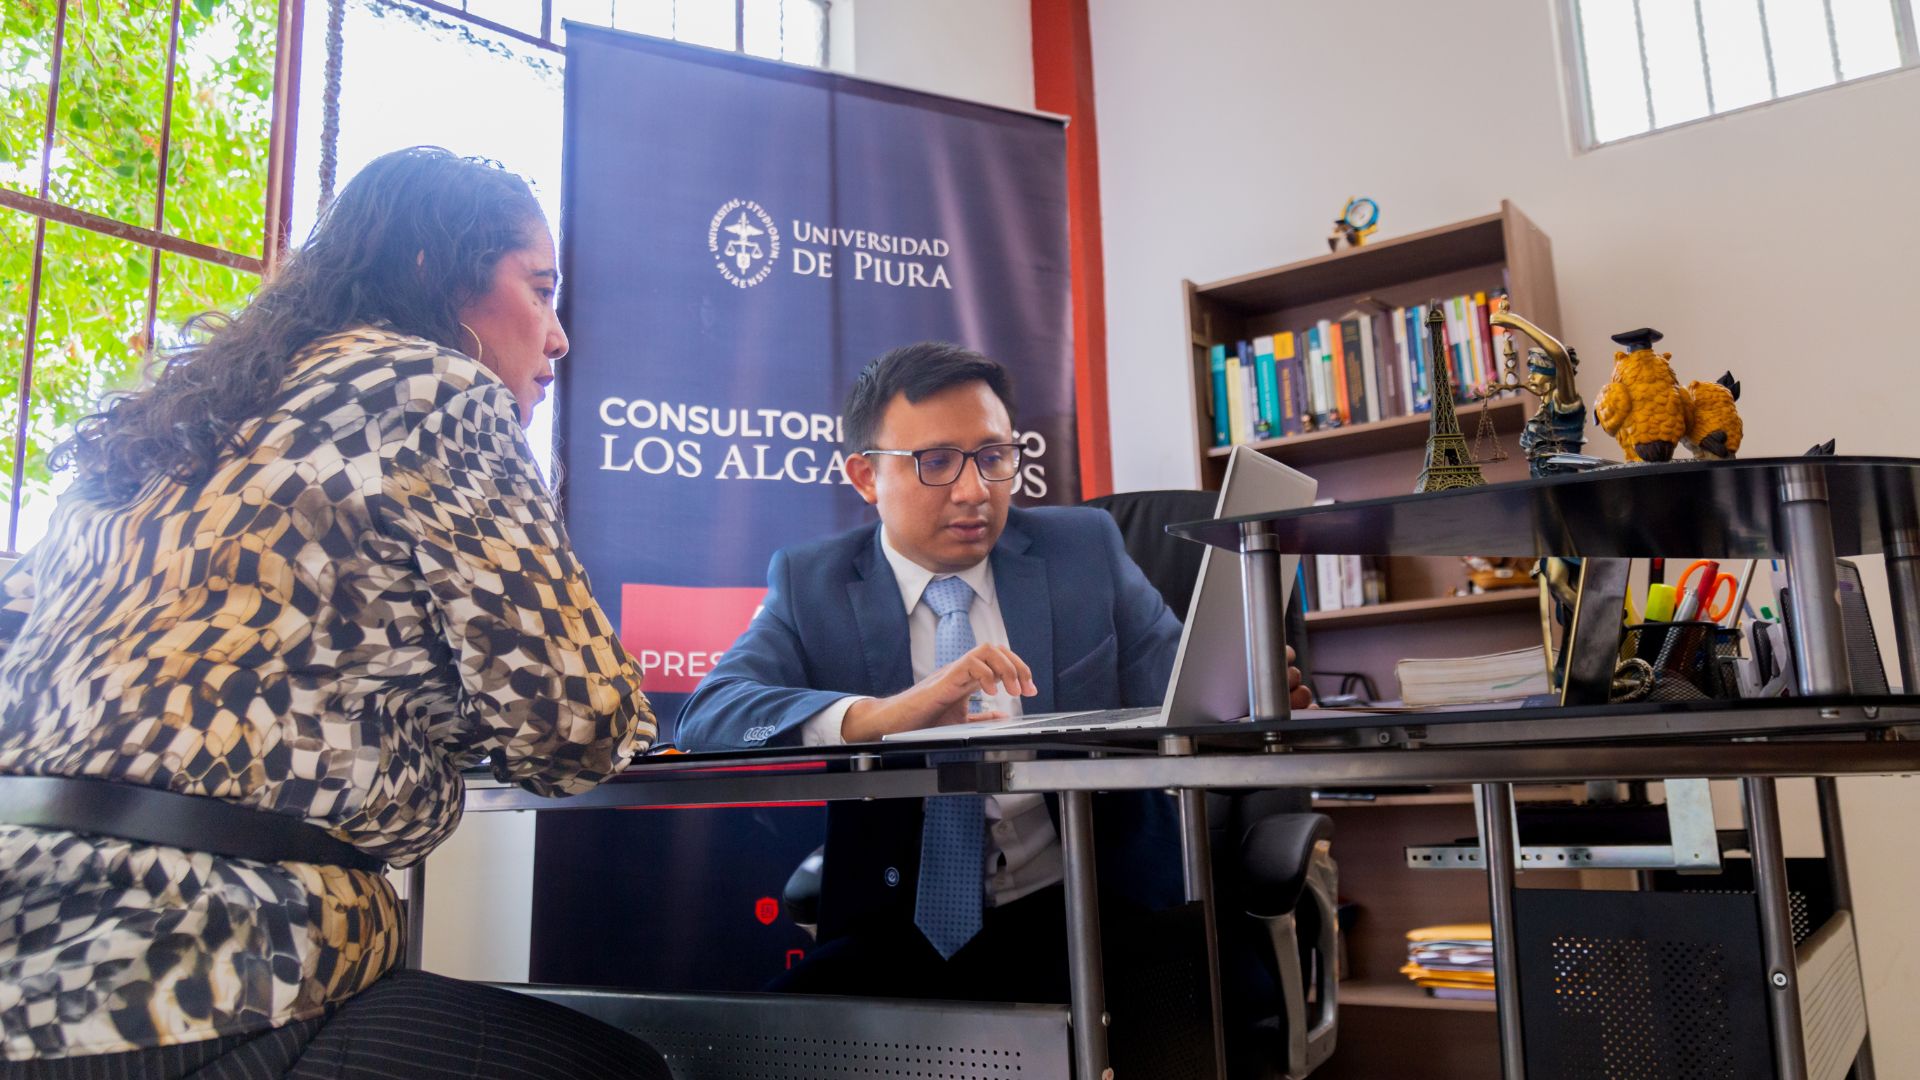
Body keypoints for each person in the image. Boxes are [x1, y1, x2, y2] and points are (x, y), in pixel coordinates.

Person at [0, 148, 670, 1079]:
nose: (557, 338)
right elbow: (575, 725)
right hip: (208, 961)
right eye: (541, 289)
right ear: (437, 272)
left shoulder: (175, 421)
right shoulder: (437, 388)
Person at [675, 341, 1311, 1011]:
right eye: (936, 462)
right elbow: (708, 714)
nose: (975, 491)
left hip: (1094, 909)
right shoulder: (815, 584)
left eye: (993, 456)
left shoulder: (1083, 550)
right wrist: (880, 717)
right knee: (754, 1039)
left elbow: (1179, 687)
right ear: (865, 476)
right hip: (899, 929)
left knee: (1205, 1018)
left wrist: (1243, 702)